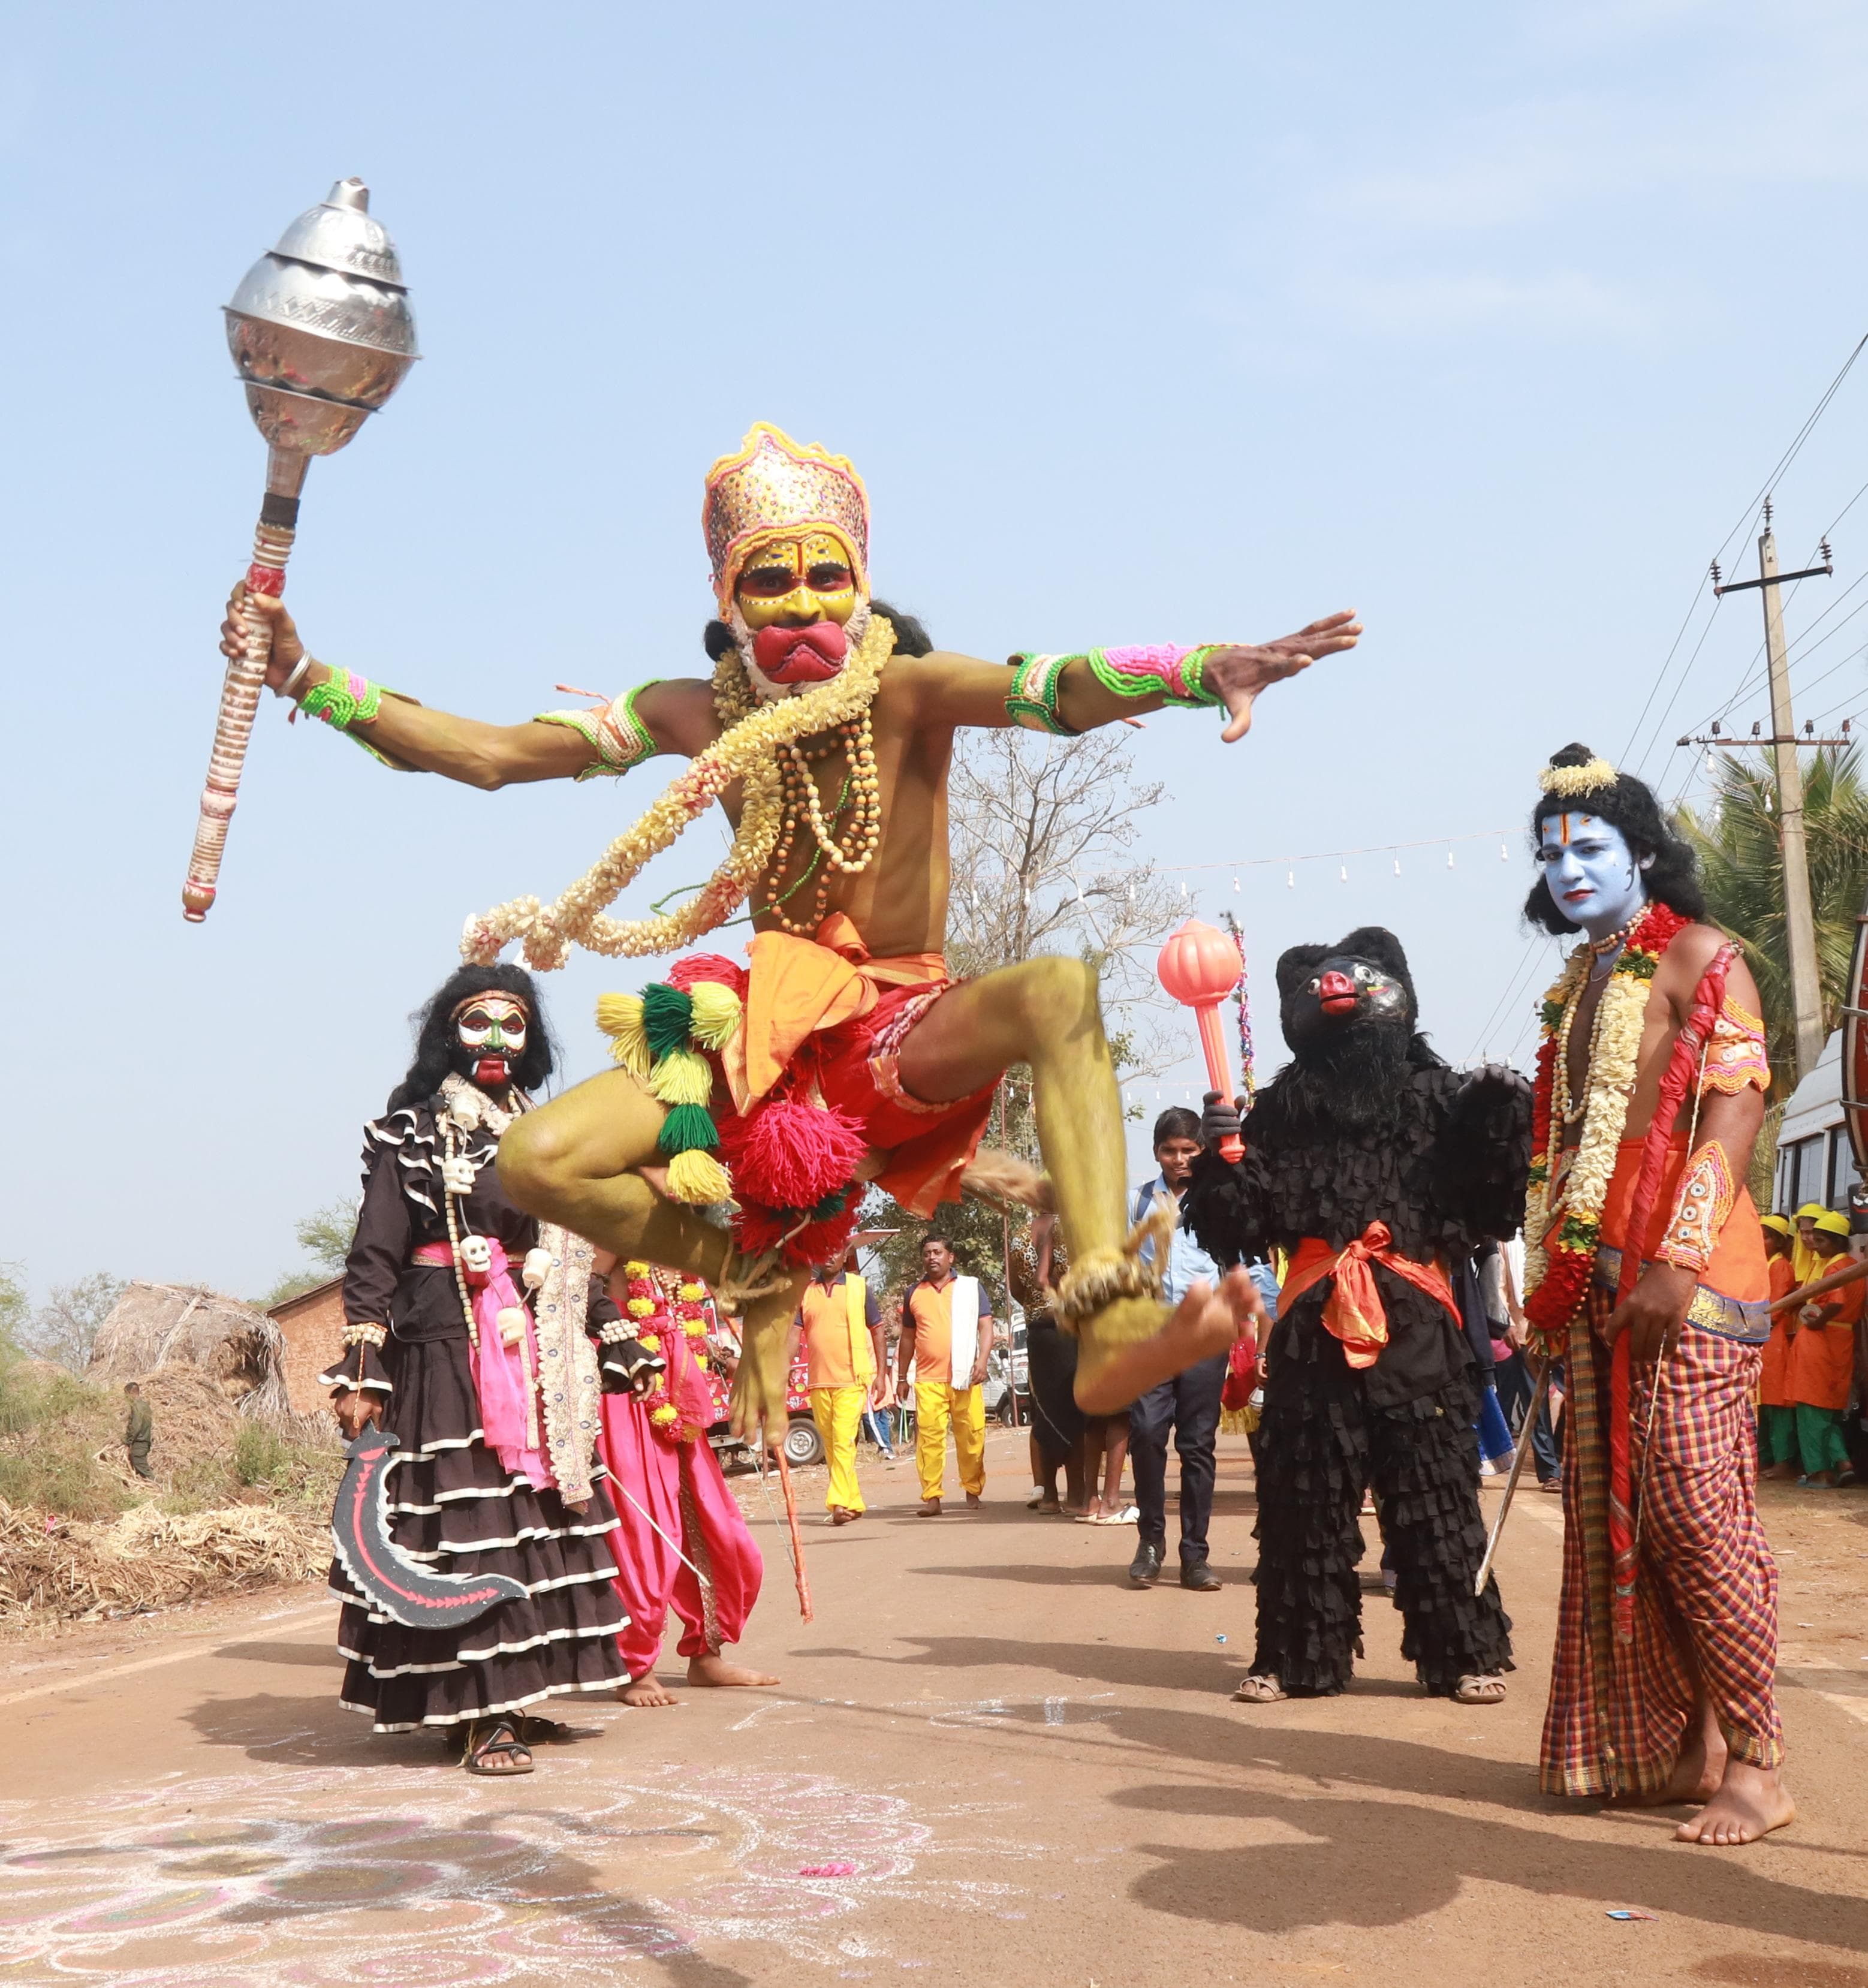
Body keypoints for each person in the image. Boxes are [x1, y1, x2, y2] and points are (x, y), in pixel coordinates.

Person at [225, 423, 1348, 1439]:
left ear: (862, 588)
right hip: (764, 1037)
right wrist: (309, 677)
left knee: (1058, 992)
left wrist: (1208, 671)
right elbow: (491, 756)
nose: (804, 602)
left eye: (829, 575)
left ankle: (1106, 1325)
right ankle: (750, 1268)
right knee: (533, 1159)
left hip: (903, 1023)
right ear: (730, 595)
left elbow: (1047, 690)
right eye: (772, 579)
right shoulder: (697, 710)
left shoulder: (905, 688)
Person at [1517, 744, 1791, 1846]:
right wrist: (1552, 1288)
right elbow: (1565, 1147)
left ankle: (1762, 1764)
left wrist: (1676, 1263)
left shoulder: (1704, 955)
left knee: (1691, 1510)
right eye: (1552, 855)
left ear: (1642, 853)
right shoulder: (1574, 985)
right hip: (1597, 1278)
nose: (1571, 869)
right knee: (1617, 1523)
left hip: (1695, 1274)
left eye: (1591, 849)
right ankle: (1696, 1742)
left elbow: (1734, 1108)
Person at [318, 964, 662, 1776]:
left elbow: (569, 1253)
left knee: (534, 1525)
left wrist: (613, 1336)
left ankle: (508, 1699)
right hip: (446, 1349)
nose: (500, 1039)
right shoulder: (411, 1133)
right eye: (480, 1022)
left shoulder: (544, 1136)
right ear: (449, 1034)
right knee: (472, 1532)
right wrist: (363, 1364)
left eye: (514, 1023)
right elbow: (374, 1253)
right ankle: (480, 1718)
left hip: (536, 1352)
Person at [1188, 927, 1527, 1707]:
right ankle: (1298, 1656)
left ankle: (1462, 1652)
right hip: (1314, 1330)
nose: (1339, 999)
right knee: (1304, 1501)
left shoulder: (1436, 1099)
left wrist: (1498, 1121)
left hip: (1419, 1326)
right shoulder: (1275, 1114)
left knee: (1435, 1495)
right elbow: (1241, 1226)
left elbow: (1489, 1208)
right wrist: (1222, 1165)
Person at [599, 1262, 776, 1706]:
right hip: (627, 1387)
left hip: (681, 1390)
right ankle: (636, 1668)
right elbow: (582, 1287)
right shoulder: (613, 1211)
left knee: (716, 1528)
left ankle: (706, 1653)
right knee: (644, 1535)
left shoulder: (683, 1229)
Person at [1127, 1108, 1227, 1591]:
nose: (1180, 1158)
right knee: (1146, 1433)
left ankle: (1195, 1555)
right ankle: (1150, 1543)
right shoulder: (1137, 1202)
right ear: (1156, 1153)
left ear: (1202, 1151)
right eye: (1170, 1150)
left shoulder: (1221, 1202)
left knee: (1197, 1446)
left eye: (1189, 1150)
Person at [897, 1234, 992, 1516]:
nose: (932, 1258)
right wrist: (902, 1378)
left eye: (938, 1252)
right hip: (928, 1380)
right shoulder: (914, 1292)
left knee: (972, 1437)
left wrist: (983, 1361)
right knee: (928, 1441)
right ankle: (932, 1497)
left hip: (966, 1377)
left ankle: (972, 1490)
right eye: (927, 1253)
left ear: (951, 1257)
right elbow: (907, 1339)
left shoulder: (970, 1288)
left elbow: (986, 1327)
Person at [795, 1248, 887, 1522]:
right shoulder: (806, 1292)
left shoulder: (859, 1287)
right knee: (833, 1443)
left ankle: (837, 1503)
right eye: (823, 1251)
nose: (828, 1256)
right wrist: (786, 1367)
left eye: (835, 1251)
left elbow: (879, 1329)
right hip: (819, 1381)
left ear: (845, 1255)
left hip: (852, 1379)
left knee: (844, 1439)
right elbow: (793, 1332)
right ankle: (853, 1501)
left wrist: (881, 1374)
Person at [1774, 1212, 1860, 1488]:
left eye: (1821, 1240)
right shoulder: (1853, 1265)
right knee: (1830, 1409)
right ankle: (1842, 1461)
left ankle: (1818, 1474)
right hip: (1842, 1340)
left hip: (1821, 1339)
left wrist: (1818, 1320)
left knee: (1810, 1408)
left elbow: (1835, 1302)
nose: (1814, 1244)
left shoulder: (1834, 1269)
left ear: (1837, 1242)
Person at [1011, 1213, 1086, 1514]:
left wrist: (1034, 1306)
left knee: (1044, 1410)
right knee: (1077, 1411)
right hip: (1071, 1327)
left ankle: (1051, 1496)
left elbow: (1017, 1288)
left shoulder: (1019, 1234)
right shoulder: (1071, 1226)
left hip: (1037, 1330)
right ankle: (1078, 1494)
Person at [1756, 1215, 1798, 1480]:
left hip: (1774, 1337)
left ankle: (1782, 1460)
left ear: (1780, 1241)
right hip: (1764, 1337)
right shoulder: (1768, 1264)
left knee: (1775, 1403)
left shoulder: (1781, 1267)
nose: (1762, 1241)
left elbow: (1777, 1305)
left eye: (1767, 1236)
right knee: (1764, 1403)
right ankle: (1765, 1458)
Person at [122, 1382, 153, 1480]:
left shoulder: (136, 1406)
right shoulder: (145, 1406)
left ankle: (158, 1485)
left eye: (126, 1395)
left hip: (140, 1442)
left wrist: (128, 1440)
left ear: (131, 1393)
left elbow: (136, 1426)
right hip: (145, 1441)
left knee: (141, 1466)